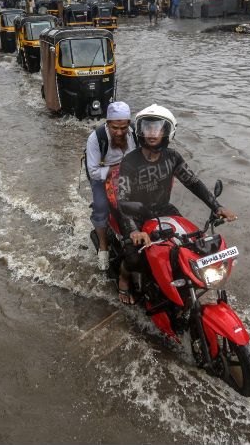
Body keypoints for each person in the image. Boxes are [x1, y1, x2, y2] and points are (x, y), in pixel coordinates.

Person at [115, 104, 238, 304]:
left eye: (157, 128)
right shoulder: (130, 161)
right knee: (134, 256)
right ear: (140, 131)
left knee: (193, 244)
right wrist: (133, 230)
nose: (152, 133)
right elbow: (123, 198)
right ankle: (124, 279)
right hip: (135, 213)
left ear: (167, 131)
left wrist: (217, 206)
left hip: (164, 209)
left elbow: (193, 183)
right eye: (147, 128)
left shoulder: (172, 157)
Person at [86, 102, 137, 272]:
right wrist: (114, 170)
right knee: (101, 206)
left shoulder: (135, 134)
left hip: (128, 174)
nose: (120, 132)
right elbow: (93, 171)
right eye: (115, 127)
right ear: (107, 123)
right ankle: (103, 245)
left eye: (124, 127)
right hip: (102, 174)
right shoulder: (96, 138)